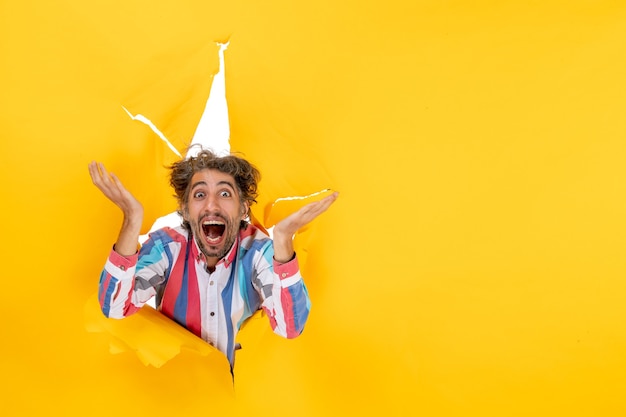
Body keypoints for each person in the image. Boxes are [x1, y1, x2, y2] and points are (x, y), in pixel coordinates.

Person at [88, 148, 338, 371]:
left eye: (225, 194)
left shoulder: (259, 252)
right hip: (177, 392)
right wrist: (132, 219)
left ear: (243, 209)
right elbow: (114, 307)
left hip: (239, 397)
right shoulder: (167, 248)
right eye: (199, 195)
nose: (211, 205)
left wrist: (283, 239)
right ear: (185, 210)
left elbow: (290, 327)